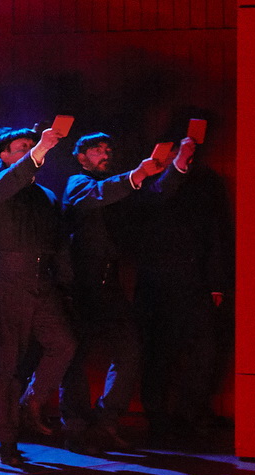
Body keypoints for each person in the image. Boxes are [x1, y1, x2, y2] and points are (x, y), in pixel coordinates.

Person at [59, 133, 168, 454]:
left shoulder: (115, 186)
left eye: (108, 149)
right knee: (75, 356)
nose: (105, 154)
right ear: (81, 157)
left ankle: (107, 420)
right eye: (97, 150)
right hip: (80, 285)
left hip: (110, 282)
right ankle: (76, 427)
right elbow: (96, 195)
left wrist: (165, 170)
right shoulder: (77, 182)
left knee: (129, 349)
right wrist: (137, 175)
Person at [0, 127, 78, 464]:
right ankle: (7, 440)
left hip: (41, 283)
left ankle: (31, 401)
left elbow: (59, 244)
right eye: (22, 148)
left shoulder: (46, 195)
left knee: (64, 344)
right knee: (5, 366)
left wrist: (65, 284)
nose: (32, 151)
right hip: (6, 283)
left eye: (33, 147)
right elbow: (16, 177)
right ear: (4, 155)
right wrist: (40, 149)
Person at [132, 135, 230, 446]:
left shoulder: (204, 181)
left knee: (204, 351)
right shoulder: (144, 177)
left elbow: (215, 231)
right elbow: (156, 198)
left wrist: (216, 283)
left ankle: (191, 414)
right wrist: (175, 167)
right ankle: (158, 418)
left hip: (195, 281)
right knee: (159, 352)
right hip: (157, 284)